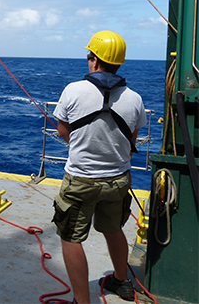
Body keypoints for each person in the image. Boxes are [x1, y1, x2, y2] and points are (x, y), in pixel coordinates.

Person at [52, 30, 146, 304]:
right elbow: (131, 141)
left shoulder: (73, 90)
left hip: (81, 180)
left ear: (94, 59)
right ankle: (123, 282)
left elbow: (62, 128)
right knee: (113, 229)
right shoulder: (135, 98)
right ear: (119, 63)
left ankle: (82, 301)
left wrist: (79, 142)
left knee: (71, 237)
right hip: (117, 180)